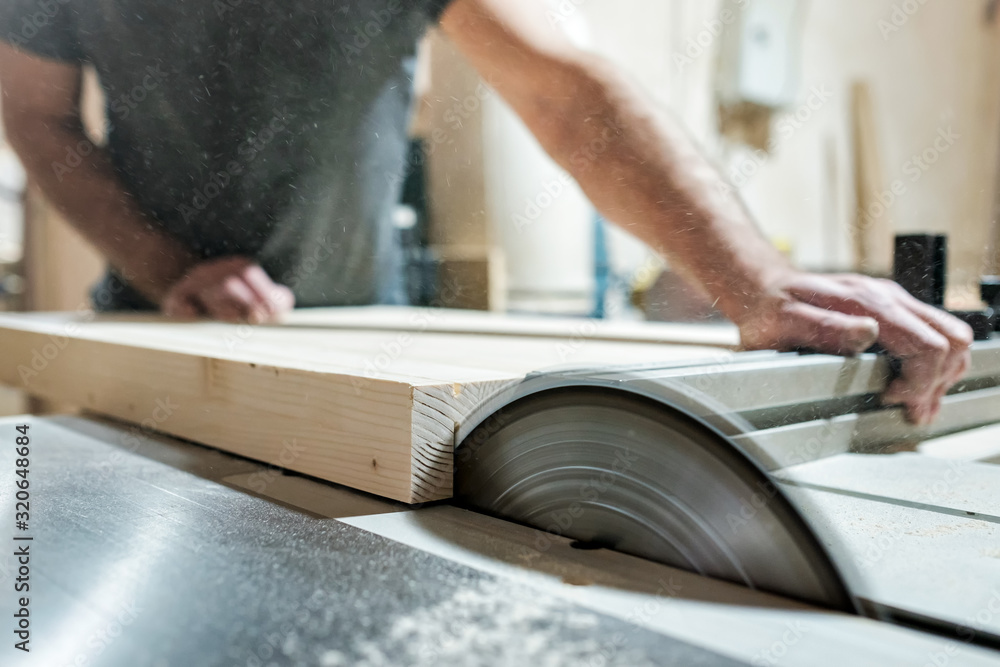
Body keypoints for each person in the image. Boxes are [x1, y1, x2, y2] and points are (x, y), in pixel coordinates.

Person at [0, 0, 971, 425]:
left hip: (360, 330)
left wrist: (751, 278)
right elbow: (38, 120)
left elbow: (565, 92)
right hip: (152, 324)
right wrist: (172, 267)